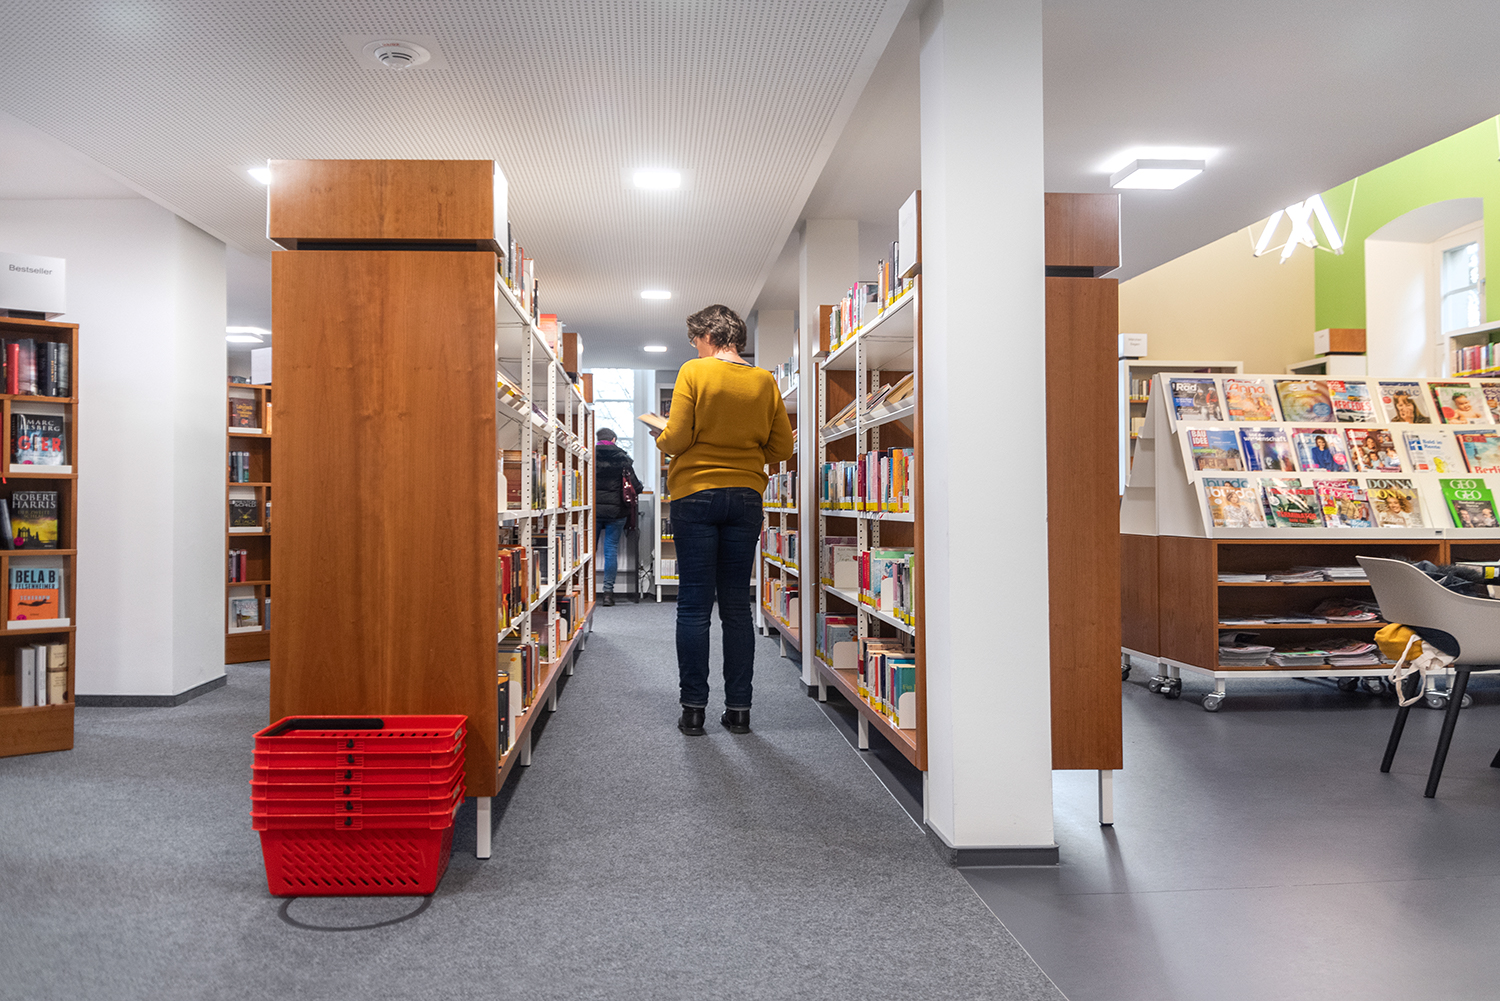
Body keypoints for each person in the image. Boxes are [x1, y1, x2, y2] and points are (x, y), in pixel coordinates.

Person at [653, 304, 794, 736]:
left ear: (709, 336)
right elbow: (781, 449)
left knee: (694, 604)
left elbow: (676, 437)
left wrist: (661, 435)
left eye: (696, 340)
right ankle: (739, 711)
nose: (694, 347)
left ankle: (693, 710)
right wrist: (742, 448)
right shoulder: (765, 380)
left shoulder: (694, 372)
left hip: (696, 493)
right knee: (735, 605)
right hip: (746, 497)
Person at [594, 428, 642, 607]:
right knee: (610, 550)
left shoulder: (589, 456)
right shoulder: (622, 458)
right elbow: (636, 486)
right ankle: (608, 594)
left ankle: (586, 591)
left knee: (588, 551)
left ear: (597, 439)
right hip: (617, 512)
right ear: (613, 439)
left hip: (593, 511)